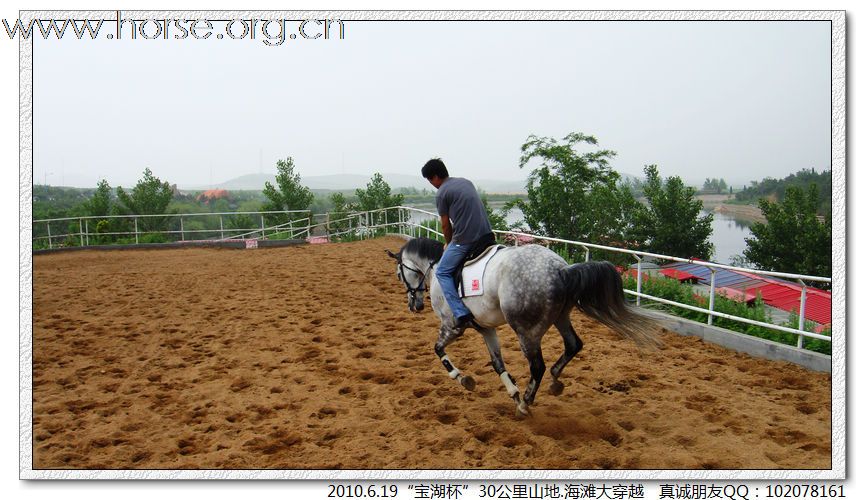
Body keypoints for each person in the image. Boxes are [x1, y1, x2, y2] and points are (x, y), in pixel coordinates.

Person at [421, 158, 494, 329]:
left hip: (465, 240)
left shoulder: (441, 194)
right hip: (487, 234)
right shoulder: (466, 182)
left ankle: (460, 313)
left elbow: (445, 225)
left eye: (430, 180)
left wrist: (448, 243)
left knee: (443, 272)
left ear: (436, 176)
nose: (432, 184)